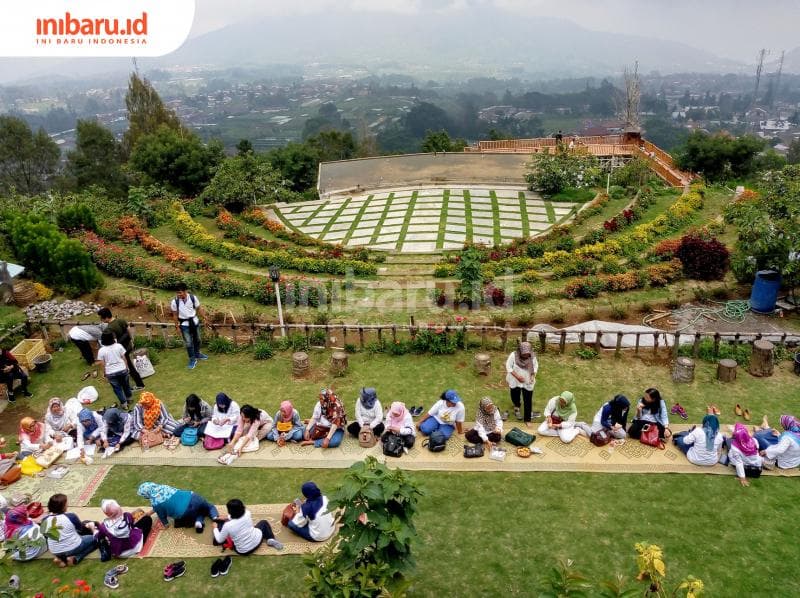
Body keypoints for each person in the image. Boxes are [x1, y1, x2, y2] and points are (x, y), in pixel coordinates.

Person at [137, 482, 219, 533]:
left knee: (179, 522)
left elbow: (162, 516)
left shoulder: (155, 503)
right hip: (194, 497)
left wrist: (165, 526)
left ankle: (197, 521)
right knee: (208, 507)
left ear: (147, 494)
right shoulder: (164, 487)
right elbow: (161, 505)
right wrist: (150, 513)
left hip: (186, 512)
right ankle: (215, 517)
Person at [41, 493, 98, 567]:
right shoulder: (71, 516)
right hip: (73, 547)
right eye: (66, 503)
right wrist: (92, 528)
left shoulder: (44, 520)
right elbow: (81, 530)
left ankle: (60, 558)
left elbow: (46, 536)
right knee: (97, 539)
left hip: (55, 550)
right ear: (63, 506)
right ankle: (76, 558)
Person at [212, 499, 283, 555]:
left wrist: (215, 528)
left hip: (243, 551)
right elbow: (238, 514)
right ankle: (270, 539)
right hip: (258, 540)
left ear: (229, 511)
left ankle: (218, 528)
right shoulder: (247, 513)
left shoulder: (227, 526)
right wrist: (227, 517)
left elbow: (219, 540)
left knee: (219, 532)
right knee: (264, 522)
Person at [98, 307, 145, 391]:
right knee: (128, 366)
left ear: (105, 317)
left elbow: (114, 343)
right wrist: (132, 341)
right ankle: (134, 384)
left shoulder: (109, 329)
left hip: (121, 350)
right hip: (128, 346)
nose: (101, 319)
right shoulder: (121, 320)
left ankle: (139, 384)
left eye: (101, 317)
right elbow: (128, 331)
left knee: (128, 368)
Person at [171, 283, 208, 370]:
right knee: (188, 342)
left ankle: (197, 353)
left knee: (198, 339)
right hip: (184, 324)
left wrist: (205, 318)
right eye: (177, 293)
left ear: (185, 291)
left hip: (194, 322)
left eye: (180, 292)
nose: (179, 294)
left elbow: (199, 308)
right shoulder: (175, 301)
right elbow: (175, 315)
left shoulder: (192, 298)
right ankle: (192, 359)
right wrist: (177, 327)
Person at [95, 331, 132, 408]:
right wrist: (127, 367)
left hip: (111, 373)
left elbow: (102, 364)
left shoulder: (101, 350)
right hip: (122, 369)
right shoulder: (119, 346)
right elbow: (124, 358)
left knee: (117, 389)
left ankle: (124, 404)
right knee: (126, 385)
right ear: (112, 338)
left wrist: (104, 373)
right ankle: (129, 399)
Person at [506, 342, 538, 427]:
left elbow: (535, 367)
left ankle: (527, 419)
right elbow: (508, 367)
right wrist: (517, 377)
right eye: (524, 354)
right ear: (520, 351)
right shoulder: (513, 355)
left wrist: (532, 376)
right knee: (514, 394)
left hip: (527, 380)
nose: (526, 356)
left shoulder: (532, 356)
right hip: (515, 380)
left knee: (528, 399)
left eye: (528, 354)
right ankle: (517, 405)